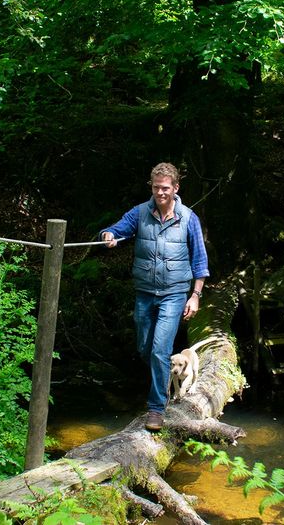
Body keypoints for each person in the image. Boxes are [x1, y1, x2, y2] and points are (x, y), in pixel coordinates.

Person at [101, 162, 209, 432]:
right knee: (146, 348)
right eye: (156, 188)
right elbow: (118, 228)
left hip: (174, 294)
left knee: (161, 349)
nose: (160, 193)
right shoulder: (140, 213)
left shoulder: (188, 218)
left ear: (175, 188)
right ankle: (164, 378)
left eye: (165, 188)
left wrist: (194, 296)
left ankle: (156, 408)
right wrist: (109, 235)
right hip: (145, 293)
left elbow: (200, 260)